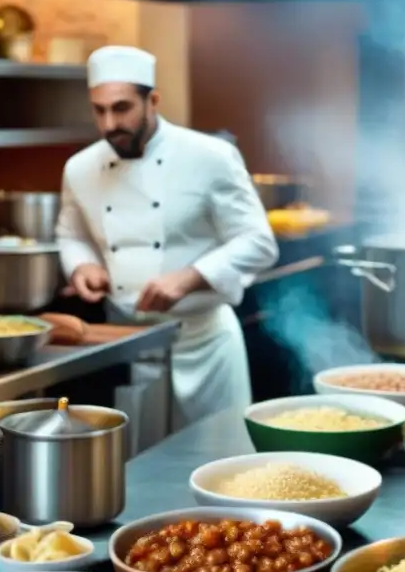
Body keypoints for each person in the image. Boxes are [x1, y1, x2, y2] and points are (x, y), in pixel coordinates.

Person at [55, 45, 278, 430]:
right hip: (128, 345)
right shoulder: (79, 168)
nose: (109, 124)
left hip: (204, 345)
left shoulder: (210, 156)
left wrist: (189, 276)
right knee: (140, 473)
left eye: (121, 108)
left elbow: (259, 242)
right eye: (99, 110)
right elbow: (71, 234)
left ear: (153, 100)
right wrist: (83, 265)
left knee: (218, 462)